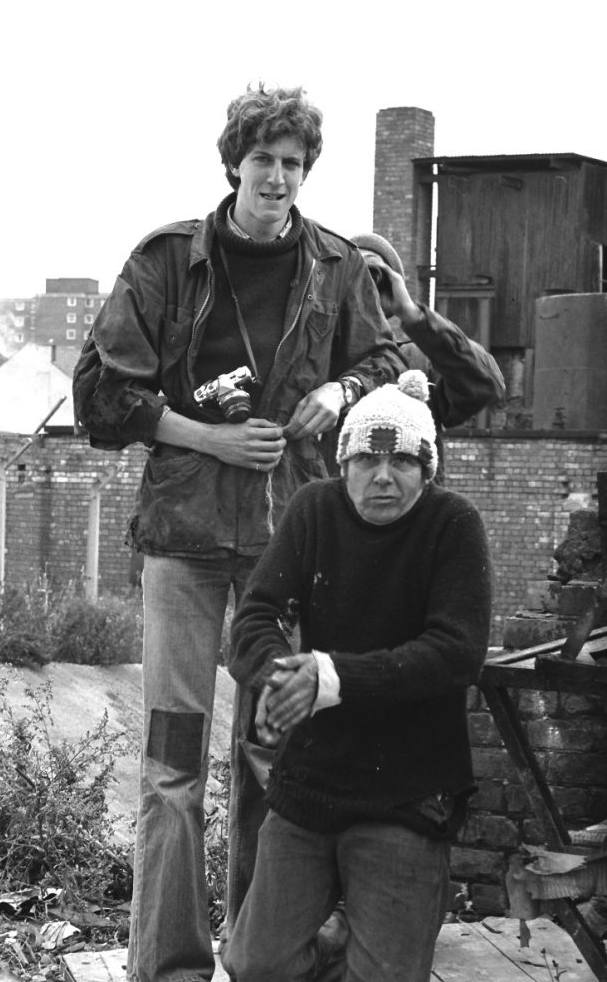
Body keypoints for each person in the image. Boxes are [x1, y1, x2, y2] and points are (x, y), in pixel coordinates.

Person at [73, 83, 405, 982]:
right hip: (183, 540)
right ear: (234, 164)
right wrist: (203, 434)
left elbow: (388, 359)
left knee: (274, 755)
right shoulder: (167, 260)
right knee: (172, 763)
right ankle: (170, 967)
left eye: (293, 163)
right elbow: (99, 393)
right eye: (263, 159)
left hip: (289, 546)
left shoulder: (338, 267)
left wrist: (340, 390)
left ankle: (263, 958)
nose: (278, 177)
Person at [223, 371, 493, 982]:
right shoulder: (314, 510)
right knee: (254, 966)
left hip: (407, 790)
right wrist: (280, 676)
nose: (383, 476)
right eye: (367, 459)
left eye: (403, 461)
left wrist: (332, 678)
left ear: (428, 469)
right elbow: (256, 615)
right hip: (313, 779)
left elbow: (456, 651)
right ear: (343, 463)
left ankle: (356, 936)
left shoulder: (452, 524)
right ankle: (338, 937)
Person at [350, 232, 505, 481]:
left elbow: (486, 383)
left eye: (374, 274)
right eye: (351, 273)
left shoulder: (415, 361)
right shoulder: (315, 361)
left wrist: (413, 315)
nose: (364, 285)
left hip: (416, 503)